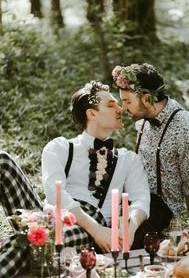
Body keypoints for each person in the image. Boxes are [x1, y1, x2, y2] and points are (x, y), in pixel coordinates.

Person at [112, 63, 189, 241]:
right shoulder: (143, 118)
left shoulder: (188, 130)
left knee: (127, 238)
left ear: (146, 99)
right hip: (133, 192)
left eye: (127, 101)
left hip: (159, 206)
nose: (123, 108)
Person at [42, 80, 150, 253]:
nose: (121, 109)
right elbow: (55, 194)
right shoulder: (59, 148)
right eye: (111, 105)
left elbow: (141, 199)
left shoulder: (128, 159)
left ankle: (30, 240)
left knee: (38, 237)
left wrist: (130, 227)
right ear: (92, 113)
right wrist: (95, 229)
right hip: (55, 217)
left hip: (82, 232)